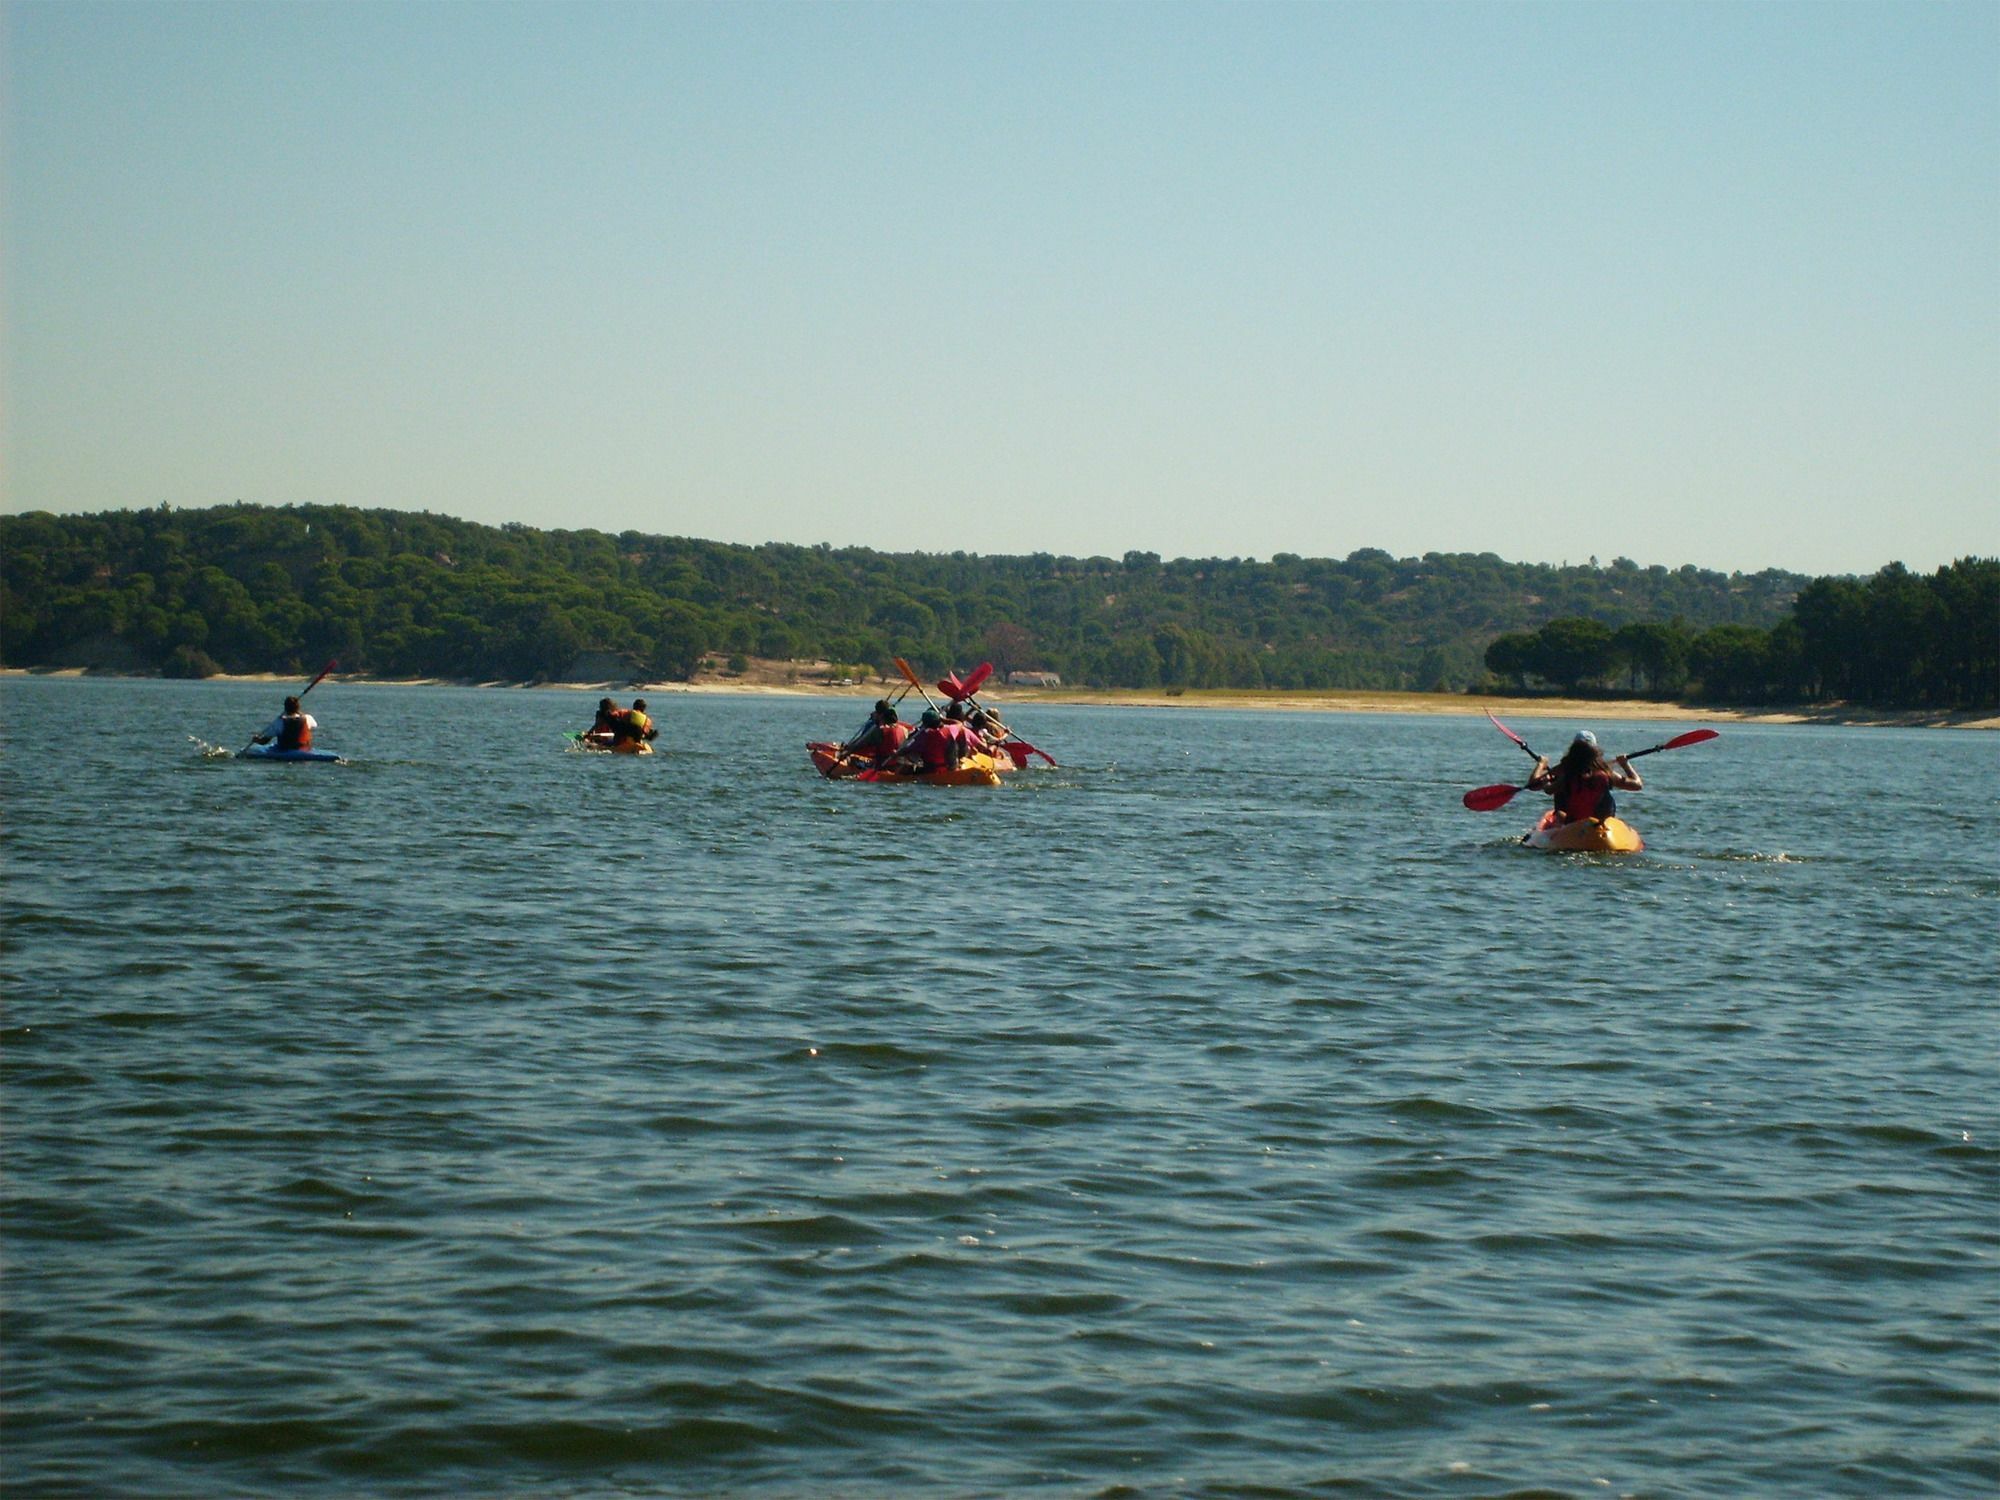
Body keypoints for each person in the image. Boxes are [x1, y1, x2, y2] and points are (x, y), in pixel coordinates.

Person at [1528, 731, 1641, 823]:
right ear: (1595, 751)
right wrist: (1625, 764)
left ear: (1573, 750)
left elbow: (1535, 786)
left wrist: (1541, 765)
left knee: (1560, 805)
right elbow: (1637, 785)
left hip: (1572, 822)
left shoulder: (1566, 772)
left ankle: (1562, 826)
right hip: (1599, 821)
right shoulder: (1605, 773)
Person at [843, 700, 907, 766]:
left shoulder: (879, 730)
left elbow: (859, 744)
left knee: (850, 759)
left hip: (882, 764)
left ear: (882, 716)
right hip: (898, 764)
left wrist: (847, 749)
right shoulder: (904, 730)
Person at [252, 695, 318, 752]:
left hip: (285, 750)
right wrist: (299, 712)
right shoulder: (308, 718)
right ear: (298, 707)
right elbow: (314, 725)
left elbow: (264, 741)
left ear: (285, 708)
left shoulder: (279, 722)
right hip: (305, 749)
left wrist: (256, 740)